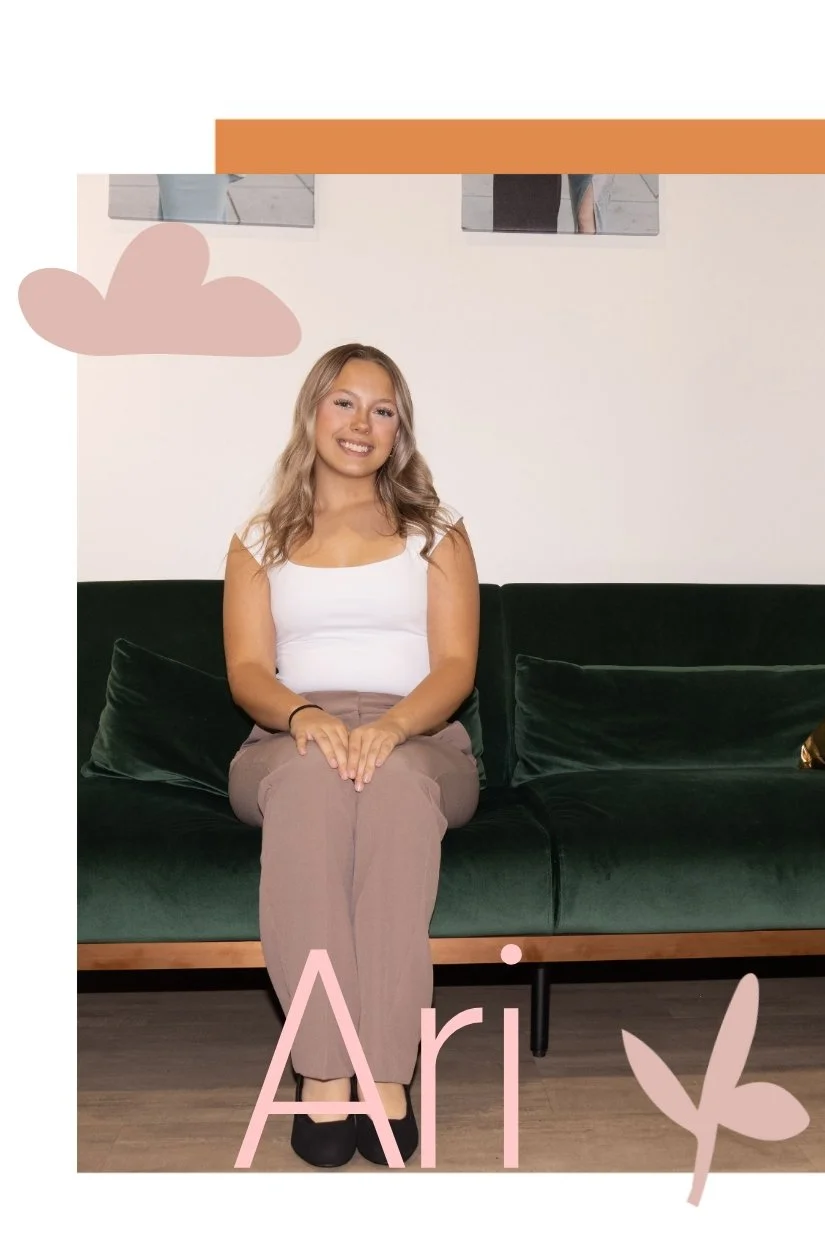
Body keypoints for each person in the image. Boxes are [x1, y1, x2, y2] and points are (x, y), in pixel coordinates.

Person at [223, 343, 482, 1169]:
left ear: (399, 429)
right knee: (311, 792)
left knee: (400, 794)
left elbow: (455, 669)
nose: (361, 423)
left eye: (382, 408)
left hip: (421, 737)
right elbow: (246, 672)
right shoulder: (259, 539)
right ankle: (327, 1072)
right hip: (287, 735)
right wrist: (304, 717)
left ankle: (389, 1071)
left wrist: (393, 730)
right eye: (344, 402)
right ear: (312, 413)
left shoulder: (436, 532)